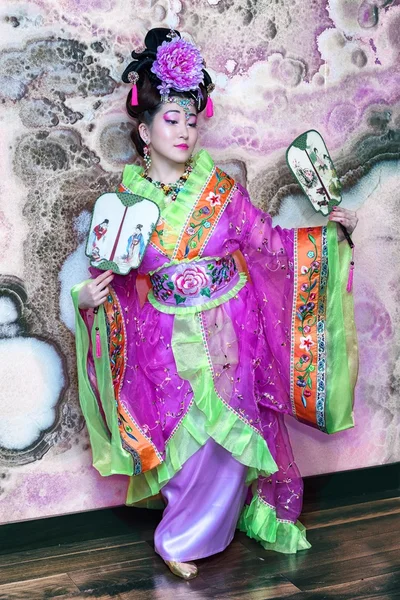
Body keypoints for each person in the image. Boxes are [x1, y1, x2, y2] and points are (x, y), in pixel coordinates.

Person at [71, 28, 358, 581]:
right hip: (164, 340)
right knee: (184, 441)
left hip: (231, 331)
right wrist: (86, 299)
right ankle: (177, 534)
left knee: (229, 440)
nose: (185, 130)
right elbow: (106, 276)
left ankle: (211, 531)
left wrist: (326, 237)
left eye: (192, 119)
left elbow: (272, 247)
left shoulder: (223, 191)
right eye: (171, 119)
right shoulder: (127, 203)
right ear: (144, 129)